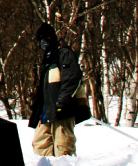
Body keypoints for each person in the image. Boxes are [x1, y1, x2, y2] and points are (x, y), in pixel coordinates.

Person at [28, 23, 91, 157]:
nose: (43, 43)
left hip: (62, 110)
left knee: (63, 146)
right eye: (40, 40)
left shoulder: (63, 54)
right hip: (46, 111)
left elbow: (71, 79)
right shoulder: (46, 61)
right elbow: (45, 89)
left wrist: (62, 102)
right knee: (40, 146)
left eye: (46, 39)